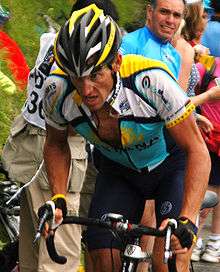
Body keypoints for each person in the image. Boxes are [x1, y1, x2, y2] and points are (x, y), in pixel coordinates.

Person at [40, 4, 211, 272]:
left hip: (169, 169)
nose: (86, 89)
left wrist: (188, 218)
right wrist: (58, 195)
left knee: (169, 258)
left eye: (95, 74)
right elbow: (55, 143)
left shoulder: (151, 81)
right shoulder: (57, 91)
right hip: (118, 172)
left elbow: (197, 150)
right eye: (77, 77)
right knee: (102, 254)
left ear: (116, 62)